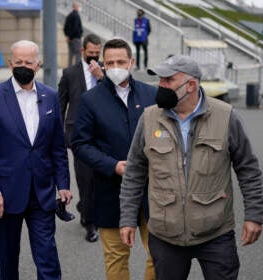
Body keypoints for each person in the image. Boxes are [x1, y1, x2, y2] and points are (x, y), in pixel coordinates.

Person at [120, 55, 263, 280]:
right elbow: (134, 172)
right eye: (161, 80)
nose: (161, 86)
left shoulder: (226, 116)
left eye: (168, 80)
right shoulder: (149, 119)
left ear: (191, 85)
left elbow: (248, 169)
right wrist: (127, 219)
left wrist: (254, 215)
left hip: (216, 233)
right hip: (165, 235)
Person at [0, 40, 73, 280]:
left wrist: (64, 184)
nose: (23, 66)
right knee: (8, 259)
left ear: (38, 65)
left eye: (28, 62)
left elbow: (57, 146)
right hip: (5, 195)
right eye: (18, 62)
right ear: (10, 63)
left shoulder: (49, 97)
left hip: (42, 192)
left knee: (47, 256)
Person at [71, 38, 156, 280]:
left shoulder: (152, 95)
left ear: (132, 62)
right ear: (102, 64)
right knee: (116, 259)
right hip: (111, 191)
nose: (115, 66)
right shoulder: (91, 100)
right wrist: (112, 165)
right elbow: (80, 143)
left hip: (153, 191)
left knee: (159, 255)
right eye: (109, 62)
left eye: (120, 61)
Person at [58, 33, 104, 243]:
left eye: (97, 53)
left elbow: (118, 97)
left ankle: (87, 207)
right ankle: (90, 222)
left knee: (100, 179)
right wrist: (58, 133)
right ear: (83, 51)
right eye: (90, 54)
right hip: (79, 135)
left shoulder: (107, 71)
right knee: (85, 179)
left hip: (104, 134)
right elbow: (61, 104)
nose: (94, 58)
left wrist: (102, 77)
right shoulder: (70, 73)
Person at [63, 1, 83, 67]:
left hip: (70, 39)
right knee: (78, 53)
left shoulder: (69, 15)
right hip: (76, 38)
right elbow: (76, 28)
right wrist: (72, 36)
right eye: (79, 6)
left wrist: (67, 36)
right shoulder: (76, 15)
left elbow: (65, 27)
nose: (79, 8)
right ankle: (77, 68)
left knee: (71, 54)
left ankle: (69, 68)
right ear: (75, 6)